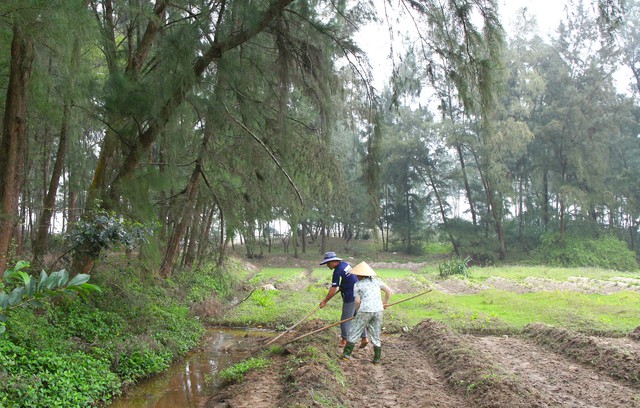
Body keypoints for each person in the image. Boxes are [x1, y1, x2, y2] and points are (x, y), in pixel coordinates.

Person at [340, 261, 391, 364]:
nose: (356, 276)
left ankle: (346, 355)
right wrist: (384, 303)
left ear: (361, 275)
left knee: (355, 330)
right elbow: (388, 290)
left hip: (365, 310)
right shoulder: (377, 281)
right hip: (378, 310)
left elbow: (357, 301)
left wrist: (358, 311)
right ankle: (377, 359)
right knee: (375, 333)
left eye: (357, 275)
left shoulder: (358, 285)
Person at [319, 251, 368, 348]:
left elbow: (333, 288)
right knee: (358, 317)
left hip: (350, 296)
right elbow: (350, 278)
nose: (327, 265)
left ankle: (344, 340)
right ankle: (364, 338)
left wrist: (325, 301)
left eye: (328, 263)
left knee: (345, 319)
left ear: (334, 262)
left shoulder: (337, 272)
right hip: (358, 293)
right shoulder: (345, 264)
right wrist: (343, 286)